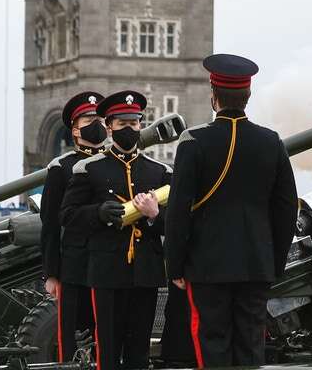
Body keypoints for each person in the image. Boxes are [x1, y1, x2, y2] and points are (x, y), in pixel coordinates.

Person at [165, 54, 298, 368]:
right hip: (256, 265)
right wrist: (273, 263)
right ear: (247, 96)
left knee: (212, 346)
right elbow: (286, 209)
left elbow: (178, 211)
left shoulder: (194, 141)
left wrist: (176, 267)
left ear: (214, 96)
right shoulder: (271, 142)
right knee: (251, 346)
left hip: (207, 266)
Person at [61, 92, 170, 370]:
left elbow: (177, 220)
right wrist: (97, 212)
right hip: (107, 271)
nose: (129, 130)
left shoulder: (158, 171)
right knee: (107, 351)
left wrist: (154, 215)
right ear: (109, 127)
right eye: (122, 125)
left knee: (139, 353)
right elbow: (68, 215)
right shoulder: (90, 169)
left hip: (145, 272)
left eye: (134, 124)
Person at [39, 91, 106, 362]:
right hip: (73, 264)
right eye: (89, 118)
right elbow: (51, 224)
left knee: (107, 335)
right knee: (69, 337)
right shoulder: (62, 167)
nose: (96, 123)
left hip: (108, 263)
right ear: (75, 130)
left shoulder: (116, 164)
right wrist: (52, 273)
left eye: (100, 118)